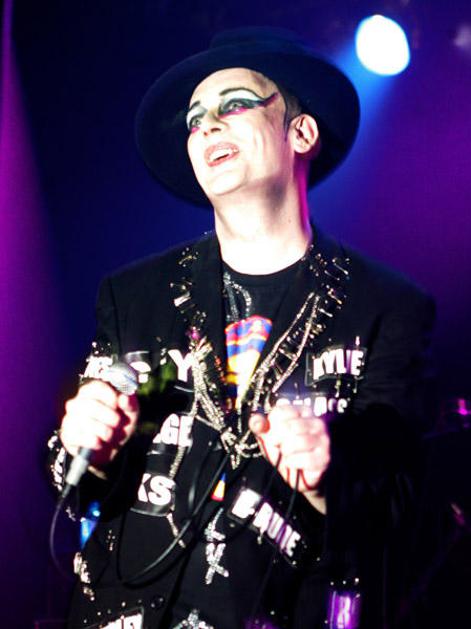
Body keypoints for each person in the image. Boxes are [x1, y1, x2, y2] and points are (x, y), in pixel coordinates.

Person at [48, 27, 435, 628]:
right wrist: (87, 449)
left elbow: (407, 513)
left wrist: (330, 475)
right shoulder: (133, 295)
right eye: (195, 119)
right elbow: (72, 483)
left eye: (233, 104)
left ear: (300, 133)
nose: (207, 126)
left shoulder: (386, 306)